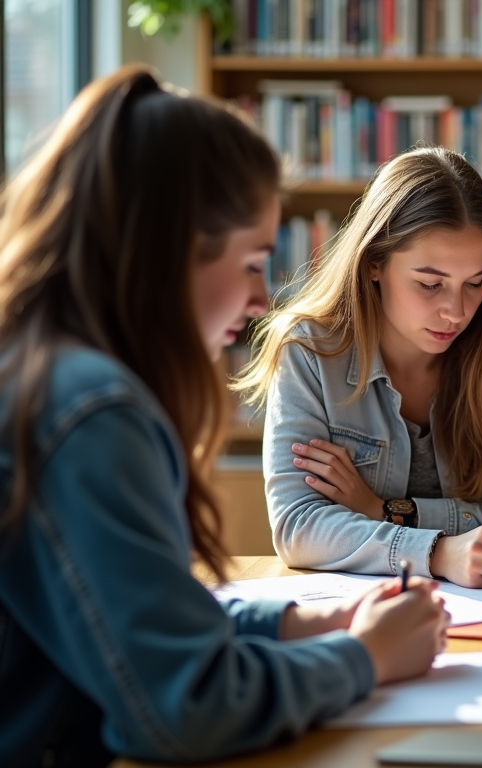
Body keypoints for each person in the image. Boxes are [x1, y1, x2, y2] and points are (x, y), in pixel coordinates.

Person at [0, 67, 449, 767]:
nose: (262, 299)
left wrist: (306, 622)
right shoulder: (92, 413)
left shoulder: (42, 374)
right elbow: (188, 704)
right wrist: (364, 658)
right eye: (251, 262)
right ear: (168, 250)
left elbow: (151, 618)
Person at [237, 146, 482, 589]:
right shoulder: (309, 349)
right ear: (374, 264)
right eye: (430, 284)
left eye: (475, 284)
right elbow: (300, 527)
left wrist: (391, 511)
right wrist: (437, 551)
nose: (456, 312)